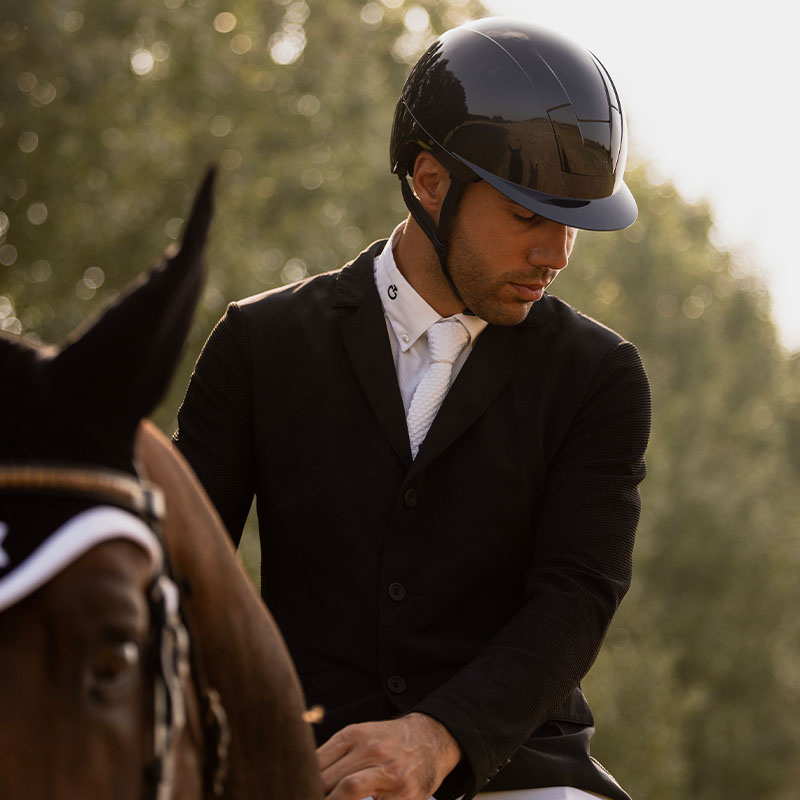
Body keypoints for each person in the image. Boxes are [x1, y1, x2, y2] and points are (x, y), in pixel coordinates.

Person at [174, 17, 651, 800]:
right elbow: (176, 570)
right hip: (303, 772)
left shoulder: (600, 377)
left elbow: (576, 597)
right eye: (530, 216)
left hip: (516, 774)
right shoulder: (257, 344)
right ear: (430, 182)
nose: (557, 255)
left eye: (572, 222)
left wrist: (439, 739)